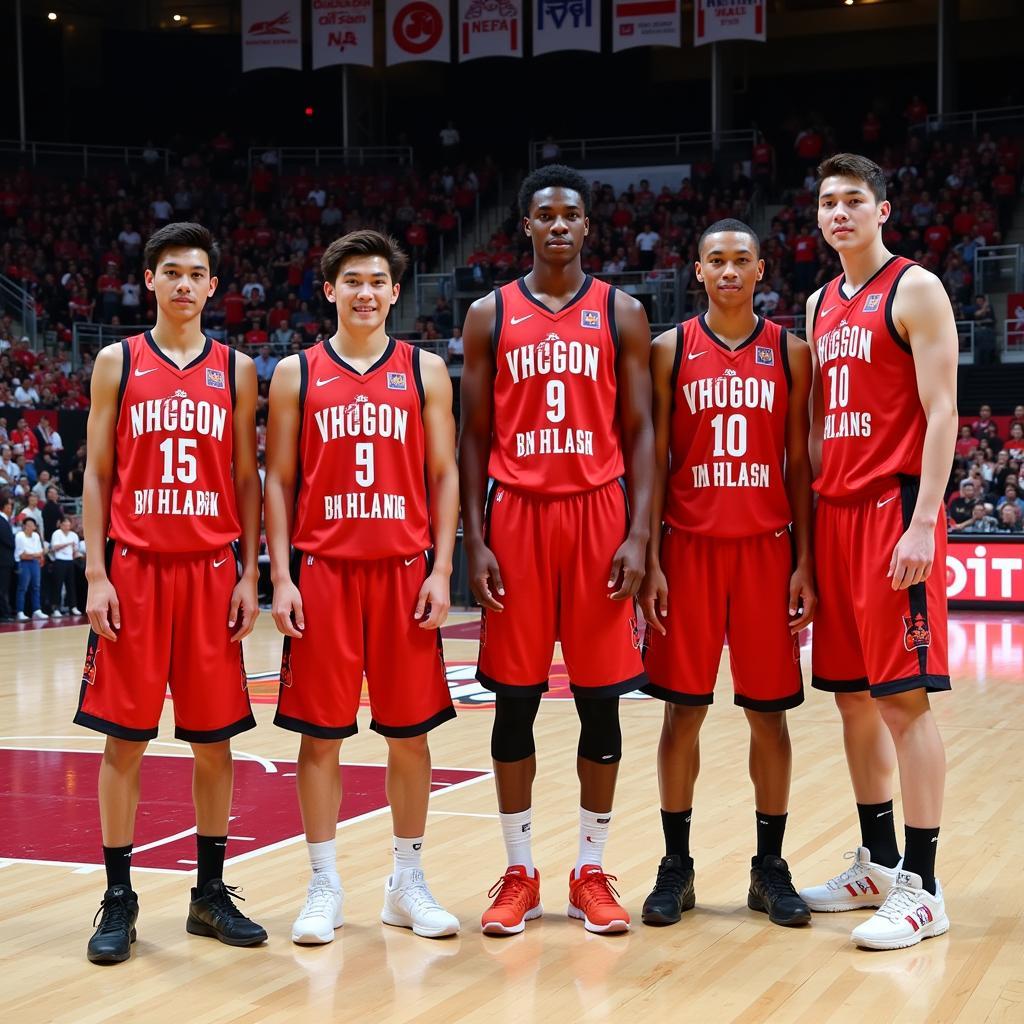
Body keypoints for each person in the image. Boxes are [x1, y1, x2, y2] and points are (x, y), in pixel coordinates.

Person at [460, 165, 654, 936]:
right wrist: (473, 538)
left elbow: (640, 433)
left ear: (587, 226)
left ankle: (590, 870)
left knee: (601, 702)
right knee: (516, 701)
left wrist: (639, 532)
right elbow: (474, 437)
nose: (560, 225)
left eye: (572, 214)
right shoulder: (488, 315)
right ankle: (519, 872)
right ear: (527, 227)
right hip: (516, 519)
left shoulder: (622, 312)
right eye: (546, 215)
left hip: (600, 516)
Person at [74, 222, 267, 965]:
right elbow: (95, 474)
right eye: (172, 272)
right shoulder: (116, 362)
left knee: (214, 740)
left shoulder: (238, 369)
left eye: (198, 274)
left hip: (212, 571)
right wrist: (95, 572)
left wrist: (251, 573)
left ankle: (208, 894)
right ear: (149, 280)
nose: (185, 284)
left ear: (214, 287)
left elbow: (247, 482)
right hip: (136, 570)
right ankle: (120, 896)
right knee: (124, 739)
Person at [265, 230, 460, 943]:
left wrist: (442, 567)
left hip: (404, 571)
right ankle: (324, 884)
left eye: (378, 281)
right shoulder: (295, 373)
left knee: (409, 738)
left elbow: (445, 474)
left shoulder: (426, 370)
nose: (366, 293)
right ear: (329, 290)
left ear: (396, 291)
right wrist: (281, 576)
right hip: (323, 573)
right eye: (352, 281)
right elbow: (278, 482)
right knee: (321, 738)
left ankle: (406, 881)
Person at [799, 154, 957, 950]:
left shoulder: (916, 288)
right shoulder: (819, 301)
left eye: (853, 200)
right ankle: (879, 861)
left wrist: (924, 520)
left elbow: (942, 409)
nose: (839, 213)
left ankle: (924, 887)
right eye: (828, 202)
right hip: (836, 514)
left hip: (894, 510)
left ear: (883, 209)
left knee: (903, 701)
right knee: (853, 697)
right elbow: (822, 424)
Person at [639, 219, 815, 929]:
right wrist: (647, 556)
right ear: (698, 271)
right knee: (683, 713)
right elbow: (653, 463)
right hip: (687, 552)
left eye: (742, 260)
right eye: (718, 260)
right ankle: (675, 865)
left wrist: (805, 558)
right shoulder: (667, 350)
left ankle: (768, 866)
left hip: (768, 550)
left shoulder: (791, 353)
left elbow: (800, 463)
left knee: (768, 717)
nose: (731, 270)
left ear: (762, 269)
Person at [14, 516, 46, 620]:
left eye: (32, 525)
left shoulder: (36, 535)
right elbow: (22, 555)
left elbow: (41, 551)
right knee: (22, 588)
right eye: (29, 525)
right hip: (24, 563)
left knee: (36, 587)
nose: (31, 526)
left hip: (34, 563)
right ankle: (20, 611)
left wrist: (33, 555)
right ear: (24, 526)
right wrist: (35, 555)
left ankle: (36, 610)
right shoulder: (20, 536)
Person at [50, 515, 82, 615]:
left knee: (71, 585)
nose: (66, 527)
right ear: (61, 525)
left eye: (68, 525)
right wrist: (68, 544)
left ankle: (73, 606)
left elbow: (76, 550)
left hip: (70, 561)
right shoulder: (57, 533)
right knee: (57, 585)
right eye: (64, 524)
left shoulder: (73, 535)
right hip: (59, 561)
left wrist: (76, 552)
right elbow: (54, 547)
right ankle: (55, 608)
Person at [0, 494, 15, 621]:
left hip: (5, 561)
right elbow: (8, 541)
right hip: (3, 561)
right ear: (4, 507)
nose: (11, 508)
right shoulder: (1, 520)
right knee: (2, 589)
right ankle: (4, 615)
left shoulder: (4, 520)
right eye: (9, 505)